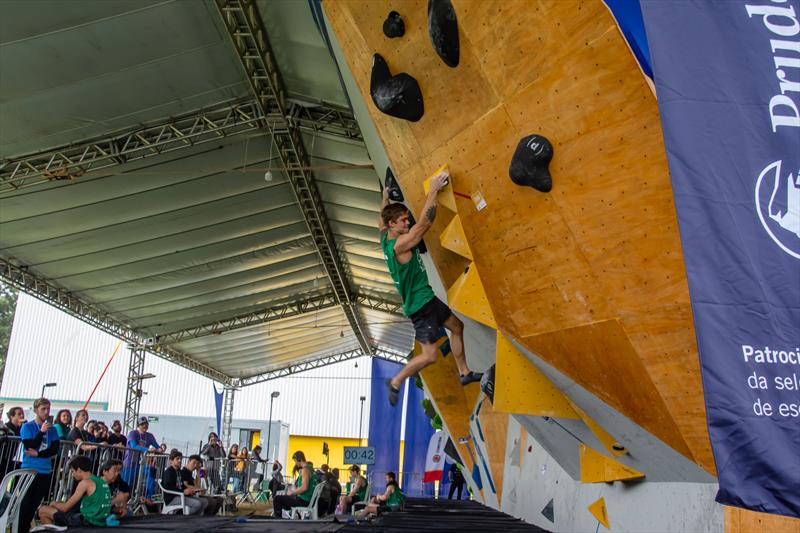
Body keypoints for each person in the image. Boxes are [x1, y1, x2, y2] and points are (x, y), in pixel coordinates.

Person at [379, 172, 482, 406]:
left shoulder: (384, 237)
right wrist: (434, 189)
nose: (408, 223)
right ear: (392, 225)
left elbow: (381, 217)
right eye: (403, 221)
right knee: (429, 356)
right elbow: (424, 224)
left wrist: (385, 196)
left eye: (407, 219)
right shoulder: (400, 244)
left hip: (427, 299)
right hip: (420, 307)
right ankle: (395, 381)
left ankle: (464, 373)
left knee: (457, 327)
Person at [18, 398, 60, 533]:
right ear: (36, 410)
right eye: (43, 409)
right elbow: (30, 446)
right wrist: (41, 432)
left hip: (45, 470)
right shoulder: (28, 426)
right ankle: (19, 529)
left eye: (48, 408)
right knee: (24, 504)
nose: (46, 412)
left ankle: (25, 528)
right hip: (29, 470)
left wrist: (39, 454)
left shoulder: (52, 430)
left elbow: (54, 449)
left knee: (34, 504)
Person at [37, 455, 112, 528]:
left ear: (79, 470)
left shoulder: (85, 483)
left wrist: (53, 503)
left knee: (43, 510)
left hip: (87, 522)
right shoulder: (100, 481)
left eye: (72, 471)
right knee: (59, 512)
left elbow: (65, 508)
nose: (72, 474)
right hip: (100, 521)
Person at [272, 451, 316, 518]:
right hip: (307, 499)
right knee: (284, 499)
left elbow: (304, 487)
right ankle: (291, 515)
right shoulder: (310, 468)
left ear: (299, 459)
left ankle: (278, 520)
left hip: (303, 501)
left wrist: (293, 493)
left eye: (295, 461)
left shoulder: (305, 470)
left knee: (277, 499)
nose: (295, 463)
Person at [162, 450, 207, 515]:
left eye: (181, 459)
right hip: (172, 498)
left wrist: (190, 490)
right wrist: (183, 491)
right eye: (177, 459)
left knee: (204, 502)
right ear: (171, 461)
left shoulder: (179, 472)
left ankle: (195, 519)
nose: (180, 460)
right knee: (197, 504)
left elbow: (182, 485)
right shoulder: (169, 472)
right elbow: (168, 487)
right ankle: (185, 516)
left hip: (181, 496)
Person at [122, 416, 159, 485]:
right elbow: (134, 446)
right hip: (130, 463)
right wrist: (148, 450)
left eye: (146, 424)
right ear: (138, 426)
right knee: (127, 484)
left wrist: (160, 449)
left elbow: (157, 446)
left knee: (150, 473)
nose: (145, 425)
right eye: (142, 424)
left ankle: (148, 495)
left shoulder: (150, 435)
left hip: (142, 463)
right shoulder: (133, 433)